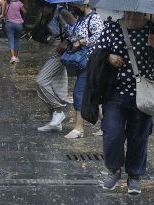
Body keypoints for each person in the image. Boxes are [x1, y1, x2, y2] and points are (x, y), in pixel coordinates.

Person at [95, 11, 154, 194]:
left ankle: (134, 175)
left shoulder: (152, 30)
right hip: (114, 93)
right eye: (127, 14)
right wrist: (109, 57)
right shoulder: (112, 28)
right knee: (112, 134)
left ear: (144, 14)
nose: (130, 18)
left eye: (135, 16)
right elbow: (95, 52)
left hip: (143, 96)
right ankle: (113, 170)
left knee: (139, 136)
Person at [62, 0, 103, 139]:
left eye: (75, 5)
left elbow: (99, 37)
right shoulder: (79, 18)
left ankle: (79, 128)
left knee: (78, 93)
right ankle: (106, 125)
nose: (74, 7)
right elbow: (73, 34)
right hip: (81, 61)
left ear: (84, 4)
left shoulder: (94, 18)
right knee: (93, 95)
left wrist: (81, 41)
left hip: (91, 61)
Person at [36, 5, 72, 132]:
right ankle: (54, 122)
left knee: (41, 81)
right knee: (53, 84)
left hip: (58, 51)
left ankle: (58, 110)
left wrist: (67, 41)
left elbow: (76, 28)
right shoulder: (46, 11)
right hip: (47, 49)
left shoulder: (61, 11)